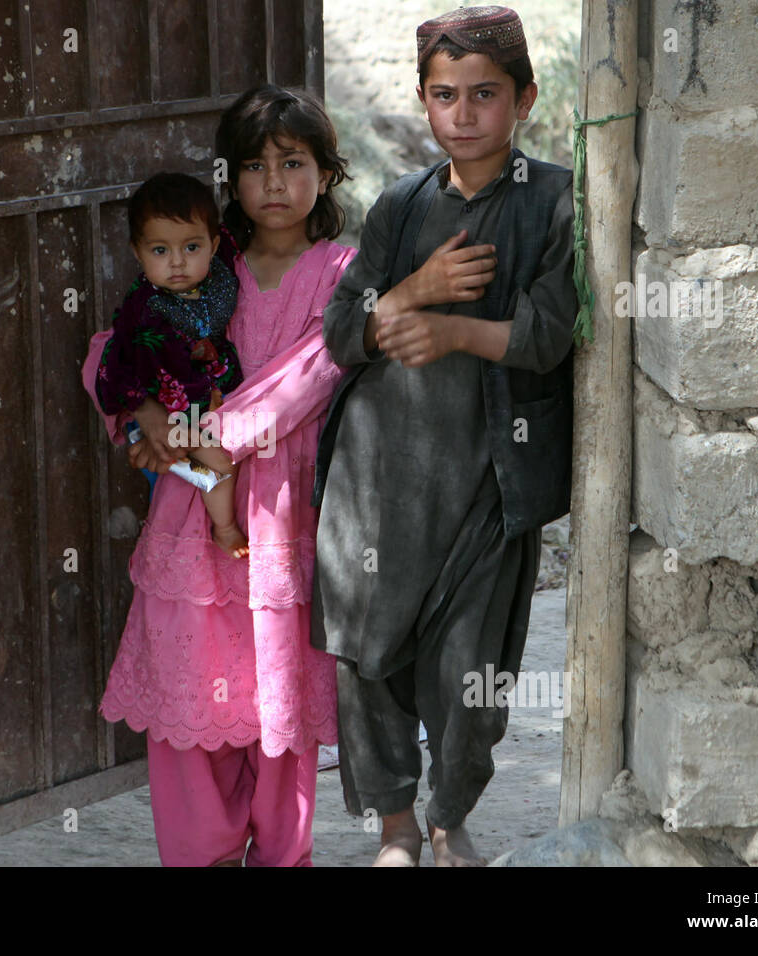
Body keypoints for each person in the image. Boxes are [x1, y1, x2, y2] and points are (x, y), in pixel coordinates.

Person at [311, 5, 576, 867]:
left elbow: (546, 333)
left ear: (525, 98)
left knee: (473, 667)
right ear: (424, 102)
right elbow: (343, 333)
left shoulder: (557, 202)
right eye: (444, 95)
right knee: (368, 652)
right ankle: (394, 831)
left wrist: (458, 333)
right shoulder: (400, 207)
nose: (463, 113)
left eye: (485, 94)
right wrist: (416, 290)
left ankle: (446, 815)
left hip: (488, 482)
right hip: (379, 479)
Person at [80, 84, 355, 866]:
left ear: (326, 175)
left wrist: (216, 438)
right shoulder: (201, 258)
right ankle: (198, 852)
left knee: (280, 690)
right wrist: (142, 417)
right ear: (230, 179)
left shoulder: (342, 269)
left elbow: (318, 369)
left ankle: (280, 853)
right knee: (192, 686)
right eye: (255, 166)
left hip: (283, 507)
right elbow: (112, 346)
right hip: (190, 506)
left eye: (293, 163)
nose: (274, 183)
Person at [95, 172, 249, 558]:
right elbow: (117, 363)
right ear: (138, 251)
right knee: (222, 463)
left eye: (191, 247)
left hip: (205, 403)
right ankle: (225, 528)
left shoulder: (218, 273)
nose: (177, 262)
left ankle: (172, 460)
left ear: (214, 244)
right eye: (160, 251)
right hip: (172, 412)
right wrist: (144, 413)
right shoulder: (143, 309)